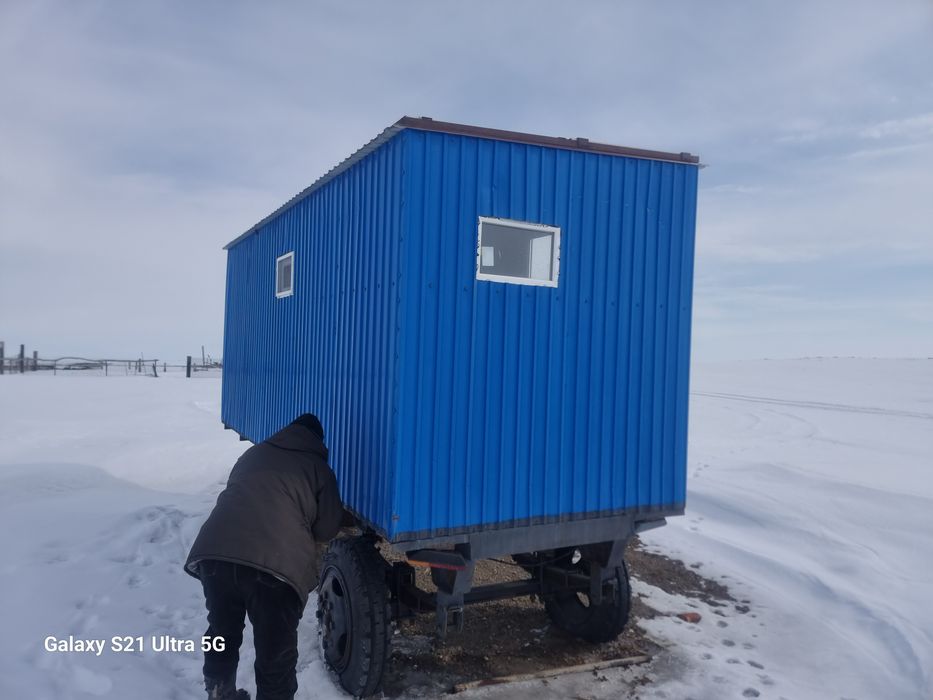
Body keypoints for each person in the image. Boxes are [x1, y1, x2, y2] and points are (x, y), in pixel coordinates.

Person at [184, 413, 344, 700]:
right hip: (274, 568)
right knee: (275, 651)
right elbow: (328, 527)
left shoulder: (253, 454)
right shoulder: (318, 468)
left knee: (222, 631)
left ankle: (219, 692)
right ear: (317, 441)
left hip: (216, 554)